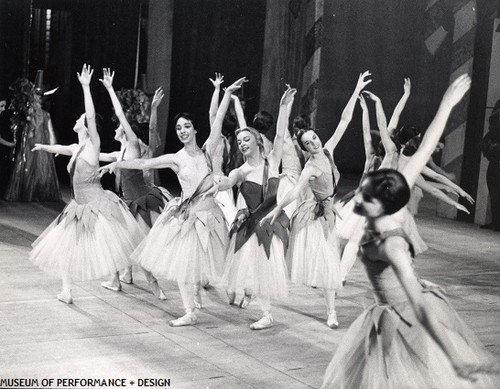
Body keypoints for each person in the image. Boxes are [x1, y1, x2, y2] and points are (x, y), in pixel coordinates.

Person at [322, 74, 500, 389]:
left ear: (384, 205)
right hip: (384, 313)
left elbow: (418, 305)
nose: (359, 198)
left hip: (405, 319)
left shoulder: (390, 244)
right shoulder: (378, 210)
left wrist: (455, 358)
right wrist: (446, 104)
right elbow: (426, 147)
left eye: (367, 197)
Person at [99, 77, 247, 327]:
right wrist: (117, 163)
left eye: (186, 126)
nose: (182, 131)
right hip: (189, 219)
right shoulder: (176, 158)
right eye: (179, 128)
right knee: (183, 268)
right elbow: (145, 163)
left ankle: (221, 294)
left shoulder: (209, 151)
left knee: (214, 266)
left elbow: (218, 120)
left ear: (195, 129)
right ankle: (190, 310)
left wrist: (226, 94)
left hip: (210, 217)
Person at [262, 71, 372, 329]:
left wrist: (356, 89)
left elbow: (344, 121)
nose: (313, 143)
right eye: (308, 143)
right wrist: (276, 211)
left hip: (328, 212)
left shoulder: (328, 151)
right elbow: (293, 192)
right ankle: (331, 312)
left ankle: (330, 310)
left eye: (314, 138)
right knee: (326, 264)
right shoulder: (310, 167)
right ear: (304, 149)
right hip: (312, 217)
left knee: (327, 264)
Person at [30, 64, 144, 304]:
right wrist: (43, 147)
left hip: (95, 204)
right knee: (68, 248)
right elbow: (60, 148)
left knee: (109, 246)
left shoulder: (93, 146)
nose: (78, 119)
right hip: (78, 205)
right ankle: (67, 291)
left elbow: (91, 116)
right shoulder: (78, 147)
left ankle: (121, 278)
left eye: (80, 119)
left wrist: (86, 87)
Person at [205, 86, 297, 330]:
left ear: (257, 140)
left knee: (263, 270)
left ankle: (265, 311)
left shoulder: (272, 162)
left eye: (246, 139)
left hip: (271, 225)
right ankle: (265, 312)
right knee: (253, 270)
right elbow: (228, 181)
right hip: (253, 225)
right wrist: (218, 183)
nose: (242, 143)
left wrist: (283, 107)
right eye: (239, 141)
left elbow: (279, 136)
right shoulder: (241, 171)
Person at [98, 68, 172, 298]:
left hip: (138, 202)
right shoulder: (121, 151)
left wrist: (110, 89)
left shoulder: (132, 145)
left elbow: (121, 116)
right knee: (122, 241)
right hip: (128, 201)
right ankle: (123, 276)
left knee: (136, 244)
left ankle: (152, 284)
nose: (116, 128)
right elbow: (101, 156)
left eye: (119, 126)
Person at [4, 77, 60, 201]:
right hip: (30, 143)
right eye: (37, 96)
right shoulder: (29, 113)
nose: (39, 99)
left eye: (40, 97)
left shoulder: (45, 114)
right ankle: (29, 192)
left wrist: (53, 146)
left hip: (41, 143)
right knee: (29, 166)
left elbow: (50, 131)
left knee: (40, 168)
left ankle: (37, 193)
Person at [481, 100, 500, 231]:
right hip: (495, 163)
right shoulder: (492, 133)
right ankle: (496, 222)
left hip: (495, 162)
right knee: (494, 194)